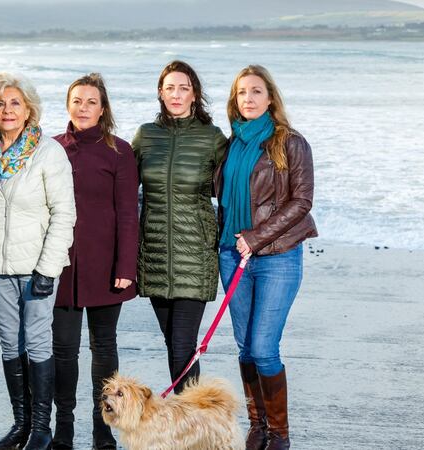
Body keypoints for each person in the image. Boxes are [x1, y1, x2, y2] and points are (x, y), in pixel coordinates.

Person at [216, 65, 317, 450]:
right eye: (242, 93)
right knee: (245, 347)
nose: (249, 99)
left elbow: (302, 201)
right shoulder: (232, 143)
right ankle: (258, 426)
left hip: (276, 256)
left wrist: (256, 238)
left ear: (270, 97)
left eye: (256, 92)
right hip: (231, 254)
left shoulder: (290, 142)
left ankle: (280, 434)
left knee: (263, 347)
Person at [0, 72, 76, 450]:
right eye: (0, 103)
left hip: (37, 266)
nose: (7, 110)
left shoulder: (48, 151)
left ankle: (41, 429)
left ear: (29, 109)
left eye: (15, 102)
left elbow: (64, 213)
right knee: (8, 344)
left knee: (37, 343)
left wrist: (49, 269)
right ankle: (20, 425)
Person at [50, 73, 139, 450]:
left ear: (103, 109)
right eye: (77, 100)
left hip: (106, 266)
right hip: (60, 266)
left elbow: (128, 214)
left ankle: (104, 429)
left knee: (104, 349)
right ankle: (63, 427)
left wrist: (125, 268)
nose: (83, 108)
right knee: (63, 351)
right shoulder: (51, 148)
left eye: (91, 102)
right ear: (67, 104)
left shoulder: (119, 150)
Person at [131, 60, 227, 394]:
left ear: (195, 94)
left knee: (183, 344)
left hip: (194, 255)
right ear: (160, 92)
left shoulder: (212, 138)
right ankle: (191, 424)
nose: (176, 94)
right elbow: (120, 183)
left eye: (183, 88)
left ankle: (195, 423)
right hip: (155, 255)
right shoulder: (146, 136)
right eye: (170, 87)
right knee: (173, 344)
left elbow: (236, 186)